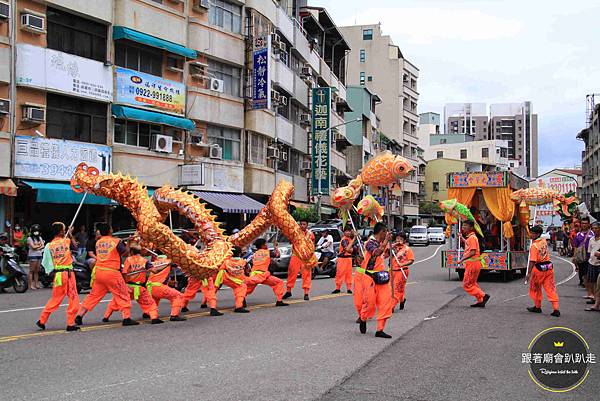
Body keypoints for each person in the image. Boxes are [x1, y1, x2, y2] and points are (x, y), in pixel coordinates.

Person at [75, 223, 138, 326]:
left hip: (99, 272)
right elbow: (125, 253)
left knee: (93, 296)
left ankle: (79, 315)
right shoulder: (116, 241)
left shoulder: (98, 242)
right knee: (123, 294)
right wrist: (129, 243)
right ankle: (126, 318)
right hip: (112, 273)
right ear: (110, 230)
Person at [102, 243, 163, 324]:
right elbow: (155, 271)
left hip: (128, 287)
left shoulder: (128, 260)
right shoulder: (145, 261)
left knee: (116, 301)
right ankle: (154, 318)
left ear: (131, 251)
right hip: (140, 288)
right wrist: (166, 265)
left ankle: (106, 317)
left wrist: (123, 285)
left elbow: (124, 273)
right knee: (150, 303)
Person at [36, 222, 80, 332]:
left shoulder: (50, 245)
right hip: (68, 274)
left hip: (58, 275)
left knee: (55, 299)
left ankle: (42, 320)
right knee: (73, 297)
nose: (65, 231)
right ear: (61, 231)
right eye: (64, 229)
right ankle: (70, 323)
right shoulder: (66, 241)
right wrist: (70, 234)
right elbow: (76, 248)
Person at [355, 222, 393, 338]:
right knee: (370, 304)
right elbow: (377, 253)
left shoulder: (382, 243)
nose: (386, 234)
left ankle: (380, 329)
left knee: (386, 302)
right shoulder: (369, 243)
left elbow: (384, 255)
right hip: (369, 277)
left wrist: (391, 249)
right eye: (385, 232)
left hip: (381, 277)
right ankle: (363, 318)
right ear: (382, 232)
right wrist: (386, 241)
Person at [526, 225, 560, 317]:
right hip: (548, 267)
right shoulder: (544, 241)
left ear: (537, 234)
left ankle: (537, 306)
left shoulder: (534, 246)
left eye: (532, 233)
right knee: (551, 288)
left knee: (536, 288)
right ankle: (556, 308)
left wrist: (529, 273)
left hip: (538, 269)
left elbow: (532, 260)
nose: (530, 235)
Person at [245, 238, 288, 307]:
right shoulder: (268, 252)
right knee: (279, 282)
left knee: (248, 289)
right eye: (265, 244)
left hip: (254, 274)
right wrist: (276, 247)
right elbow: (278, 255)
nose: (266, 245)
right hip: (263, 275)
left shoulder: (254, 253)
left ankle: (241, 300)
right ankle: (279, 301)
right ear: (262, 245)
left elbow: (247, 262)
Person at [458, 220, 490, 308]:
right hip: (473, 263)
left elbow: (472, 252)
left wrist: (462, 259)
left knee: (467, 285)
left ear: (471, 228)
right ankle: (480, 300)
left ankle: (483, 296)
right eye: (463, 226)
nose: (463, 227)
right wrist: (462, 238)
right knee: (473, 283)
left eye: (465, 226)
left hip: (472, 263)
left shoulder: (472, 238)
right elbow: (469, 245)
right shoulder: (471, 237)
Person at [146, 255, 187, 321]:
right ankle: (174, 315)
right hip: (158, 287)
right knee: (178, 295)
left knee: (154, 301)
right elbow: (179, 264)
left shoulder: (154, 263)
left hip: (150, 287)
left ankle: (151, 315)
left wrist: (170, 282)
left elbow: (158, 277)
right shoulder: (168, 261)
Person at [284, 219, 316, 301]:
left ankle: (306, 293)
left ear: (307, 225)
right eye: (301, 224)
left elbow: (312, 245)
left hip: (306, 257)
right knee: (291, 272)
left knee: (306, 274)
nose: (302, 226)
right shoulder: (295, 233)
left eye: (304, 224)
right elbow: (290, 240)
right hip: (296, 255)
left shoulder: (310, 234)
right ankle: (288, 290)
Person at [390, 232, 414, 311]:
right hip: (392, 270)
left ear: (404, 240)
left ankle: (391, 306)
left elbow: (411, 260)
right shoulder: (393, 248)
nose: (398, 240)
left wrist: (403, 264)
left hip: (402, 270)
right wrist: (392, 245)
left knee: (396, 288)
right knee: (391, 288)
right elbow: (385, 253)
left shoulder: (407, 249)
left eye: (401, 239)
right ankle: (402, 300)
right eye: (397, 238)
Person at [573, 217, 594, 294]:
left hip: (591, 257)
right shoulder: (578, 234)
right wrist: (574, 257)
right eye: (582, 223)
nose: (584, 225)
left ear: (589, 224)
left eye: (585, 223)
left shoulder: (593, 233)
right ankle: (589, 292)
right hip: (581, 258)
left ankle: (591, 292)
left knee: (590, 275)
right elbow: (575, 246)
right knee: (583, 274)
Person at [332, 227, 355, 294]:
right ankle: (338, 288)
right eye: (346, 231)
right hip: (342, 259)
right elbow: (347, 249)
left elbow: (351, 250)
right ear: (344, 232)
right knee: (340, 273)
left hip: (348, 259)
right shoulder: (344, 240)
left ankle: (349, 288)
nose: (348, 232)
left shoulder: (350, 239)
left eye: (349, 231)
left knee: (349, 274)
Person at [585, 222, 600, 312]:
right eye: (593, 228)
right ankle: (595, 299)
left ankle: (596, 303)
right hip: (592, 262)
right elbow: (589, 251)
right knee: (592, 282)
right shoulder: (591, 239)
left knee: (598, 284)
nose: (595, 230)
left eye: (596, 228)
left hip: (599, 263)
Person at [26, 224, 45, 290]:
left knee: (37, 271)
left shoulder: (39, 237)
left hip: (39, 255)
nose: (36, 232)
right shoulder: (29, 238)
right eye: (35, 230)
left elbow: (43, 245)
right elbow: (33, 247)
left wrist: (37, 246)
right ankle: (30, 285)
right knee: (31, 270)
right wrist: (39, 246)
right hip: (32, 256)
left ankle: (36, 284)